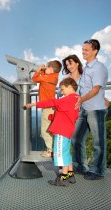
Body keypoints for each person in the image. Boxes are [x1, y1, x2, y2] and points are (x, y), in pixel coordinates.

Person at [24, 77, 79, 186]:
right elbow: (67, 114)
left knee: (60, 154)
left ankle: (63, 178)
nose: (61, 92)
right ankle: (70, 173)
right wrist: (52, 117)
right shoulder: (75, 99)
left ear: (70, 87)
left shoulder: (69, 99)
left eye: (62, 89)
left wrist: (35, 104)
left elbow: (53, 102)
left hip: (62, 131)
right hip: (67, 130)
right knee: (66, 153)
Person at [73, 39, 108, 180]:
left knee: (98, 142)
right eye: (83, 49)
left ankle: (98, 171)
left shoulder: (99, 68)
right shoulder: (86, 68)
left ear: (95, 51)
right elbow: (82, 89)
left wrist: (81, 99)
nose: (83, 52)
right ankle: (81, 166)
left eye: (86, 50)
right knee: (76, 139)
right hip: (84, 110)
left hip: (96, 109)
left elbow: (96, 90)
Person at [31, 60, 61, 157]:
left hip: (47, 107)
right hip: (52, 107)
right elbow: (45, 76)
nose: (45, 69)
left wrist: (39, 69)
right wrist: (44, 70)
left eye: (47, 67)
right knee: (51, 130)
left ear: (51, 69)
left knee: (45, 131)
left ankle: (50, 151)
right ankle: (53, 150)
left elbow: (34, 79)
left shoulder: (46, 78)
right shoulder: (54, 77)